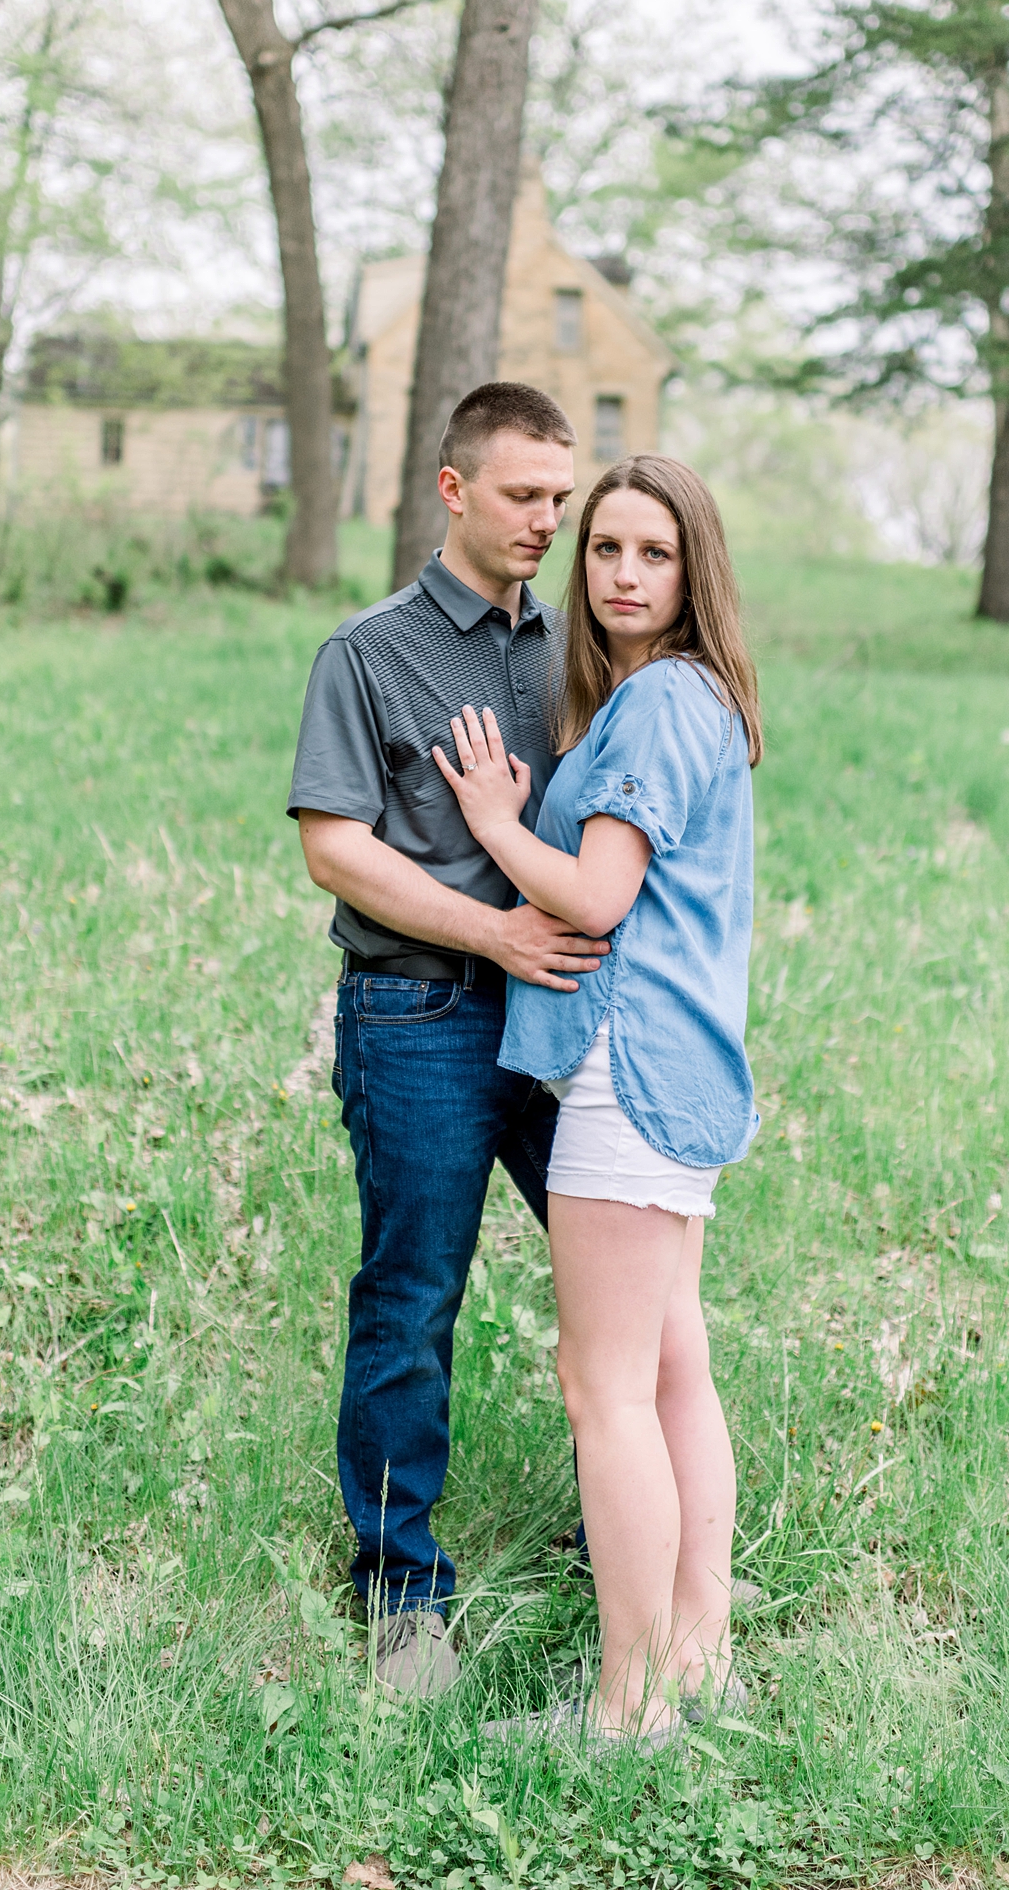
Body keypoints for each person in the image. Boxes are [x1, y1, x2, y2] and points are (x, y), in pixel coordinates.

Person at [288, 380, 611, 1699]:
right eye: (525, 494)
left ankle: (628, 1546)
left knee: (620, 1288)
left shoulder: (580, 648)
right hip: (416, 1012)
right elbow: (333, 846)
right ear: (453, 489)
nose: (548, 519)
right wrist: (491, 937)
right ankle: (400, 1596)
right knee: (413, 1303)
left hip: (565, 1021)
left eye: (560, 496)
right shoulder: (367, 652)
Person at [433, 452, 761, 1743]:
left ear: (695, 572)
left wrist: (497, 821)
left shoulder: (660, 704)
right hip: (671, 1068)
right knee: (673, 1373)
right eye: (607, 549)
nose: (624, 574)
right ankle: (695, 1662)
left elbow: (598, 898)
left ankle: (627, 1709)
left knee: (605, 1387)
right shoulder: (686, 699)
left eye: (654, 553)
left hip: (628, 1072)